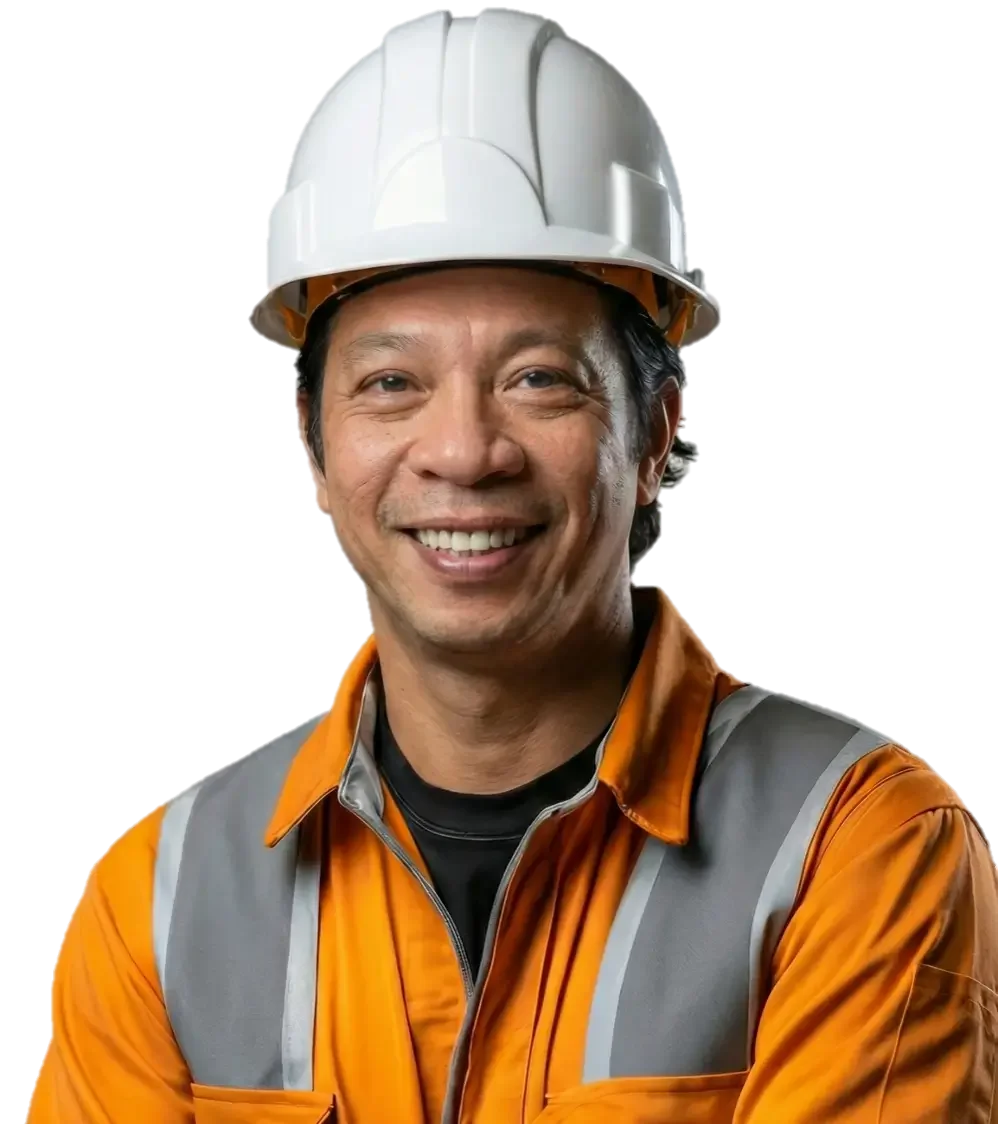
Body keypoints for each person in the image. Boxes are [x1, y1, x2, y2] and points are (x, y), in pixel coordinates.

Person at [27, 9, 997, 1123]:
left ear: (652, 431)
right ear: (311, 441)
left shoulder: (854, 848)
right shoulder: (159, 898)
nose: (462, 451)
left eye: (540, 379)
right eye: (390, 382)